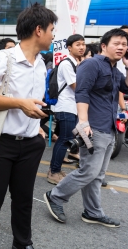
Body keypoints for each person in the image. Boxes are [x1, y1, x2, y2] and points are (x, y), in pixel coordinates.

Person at [0, 3, 57, 249]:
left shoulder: (41, 63)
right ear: (39, 30)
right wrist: (19, 104)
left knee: (23, 200)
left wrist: (38, 128)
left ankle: (23, 243)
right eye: (52, 29)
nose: (54, 35)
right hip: (0, 143)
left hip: (31, 144)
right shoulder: (3, 58)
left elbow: (33, 101)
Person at [44, 29, 128, 228]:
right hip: (94, 127)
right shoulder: (91, 64)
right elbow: (82, 92)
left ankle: (92, 212)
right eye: (117, 43)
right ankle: (56, 196)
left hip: (109, 127)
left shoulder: (115, 69)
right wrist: (84, 122)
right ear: (104, 45)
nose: (121, 47)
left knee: (97, 175)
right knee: (89, 171)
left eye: (124, 44)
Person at [47, 34, 85, 185]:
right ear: (69, 47)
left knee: (65, 139)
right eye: (78, 44)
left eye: (83, 44)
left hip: (71, 107)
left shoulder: (76, 63)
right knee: (64, 140)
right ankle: (53, 171)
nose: (82, 47)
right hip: (65, 106)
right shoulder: (67, 63)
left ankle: (56, 169)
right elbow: (76, 86)